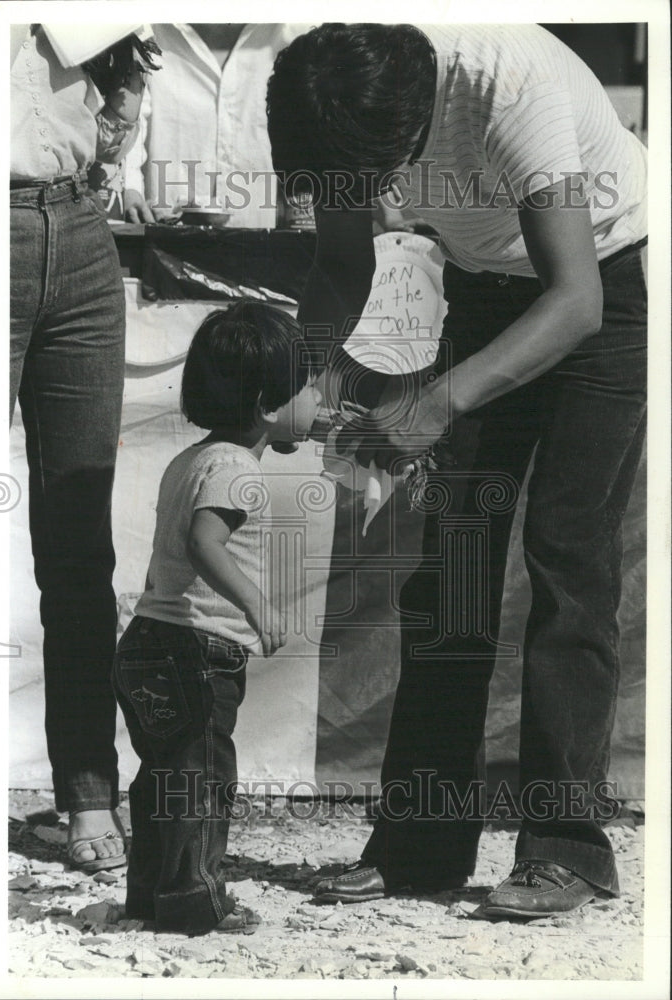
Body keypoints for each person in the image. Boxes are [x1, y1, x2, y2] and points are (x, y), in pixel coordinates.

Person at [267, 23, 647, 918]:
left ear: (412, 131)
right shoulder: (333, 95)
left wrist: (432, 407)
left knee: (568, 563)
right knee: (449, 578)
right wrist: (299, 380)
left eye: (372, 180)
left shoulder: (507, 88)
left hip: (609, 287)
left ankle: (566, 850)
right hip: (484, 286)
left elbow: (575, 301)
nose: (367, 197)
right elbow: (339, 258)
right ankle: (419, 845)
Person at [112, 302, 322, 934]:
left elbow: (168, 555)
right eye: (306, 387)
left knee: (163, 780)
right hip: (195, 653)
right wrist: (257, 603)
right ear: (266, 404)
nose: (317, 399)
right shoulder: (237, 467)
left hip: (150, 641)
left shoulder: (192, 460)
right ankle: (195, 903)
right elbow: (205, 543)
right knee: (201, 781)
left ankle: (151, 895)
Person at [10, 24, 159, 872]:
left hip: (76, 220)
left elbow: (118, 52)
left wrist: (121, 135)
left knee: (77, 541)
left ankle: (88, 793)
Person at [123, 23, 311, 228]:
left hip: (267, 249)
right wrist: (131, 192)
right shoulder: (144, 30)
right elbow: (127, 131)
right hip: (162, 242)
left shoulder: (298, 33)